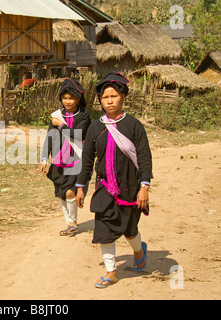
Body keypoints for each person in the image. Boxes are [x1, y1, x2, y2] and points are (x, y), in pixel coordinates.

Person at [75, 72, 153, 288]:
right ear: (100, 101)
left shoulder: (134, 126)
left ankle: (138, 249)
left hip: (131, 186)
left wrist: (144, 187)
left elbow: (145, 158)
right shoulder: (95, 127)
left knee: (129, 230)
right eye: (105, 97)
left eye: (114, 96)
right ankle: (111, 272)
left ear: (123, 97)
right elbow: (88, 160)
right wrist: (80, 186)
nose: (109, 101)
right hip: (105, 187)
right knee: (104, 231)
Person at [41, 78, 91, 236]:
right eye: (65, 98)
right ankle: (69, 222)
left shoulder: (84, 116)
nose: (68, 101)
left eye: (71, 98)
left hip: (76, 159)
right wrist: (44, 158)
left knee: (70, 192)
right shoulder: (56, 115)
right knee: (62, 194)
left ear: (78, 99)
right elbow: (50, 137)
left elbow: (79, 134)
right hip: (58, 160)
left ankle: (73, 223)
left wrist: (61, 125)